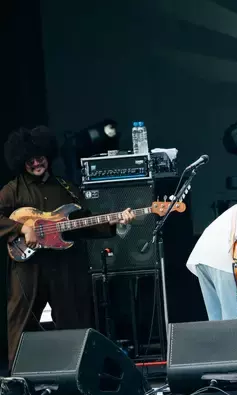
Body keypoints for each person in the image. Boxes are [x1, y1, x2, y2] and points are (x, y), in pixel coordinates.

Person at [0, 126, 136, 368]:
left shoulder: (66, 187)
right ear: (21, 162)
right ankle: (18, 375)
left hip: (65, 265)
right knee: (21, 320)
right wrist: (21, 228)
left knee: (74, 318)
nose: (36, 164)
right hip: (29, 266)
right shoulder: (12, 190)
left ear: (48, 156)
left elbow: (84, 223)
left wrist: (116, 222)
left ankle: (78, 371)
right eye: (30, 161)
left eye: (39, 158)